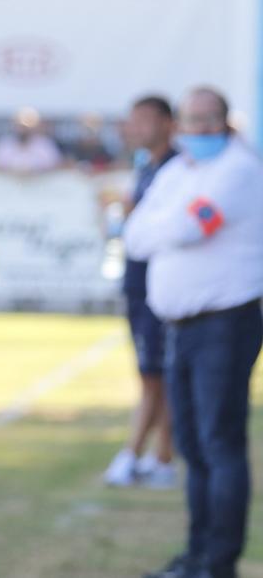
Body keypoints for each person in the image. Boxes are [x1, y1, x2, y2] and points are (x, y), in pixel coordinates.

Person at [124, 87, 263, 578]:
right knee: (191, 445)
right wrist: (167, 224)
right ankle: (196, 554)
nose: (199, 129)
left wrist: (166, 225)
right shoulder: (180, 171)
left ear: (225, 123)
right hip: (180, 326)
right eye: (191, 120)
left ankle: (218, 561)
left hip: (225, 323)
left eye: (209, 120)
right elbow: (135, 234)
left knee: (219, 443)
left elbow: (190, 227)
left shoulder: (239, 170)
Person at [103, 95, 178, 489]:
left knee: (155, 374)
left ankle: (136, 454)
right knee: (154, 374)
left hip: (157, 288)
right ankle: (161, 456)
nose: (135, 128)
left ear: (167, 123)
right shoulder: (147, 165)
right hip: (138, 284)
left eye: (144, 120)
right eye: (132, 120)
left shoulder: (176, 168)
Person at [0, 107, 63, 174]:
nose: (23, 129)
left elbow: (55, 166)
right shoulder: (4, 144)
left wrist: (34, 171)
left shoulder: (45, 144)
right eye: (21, 125)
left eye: (27, 125)